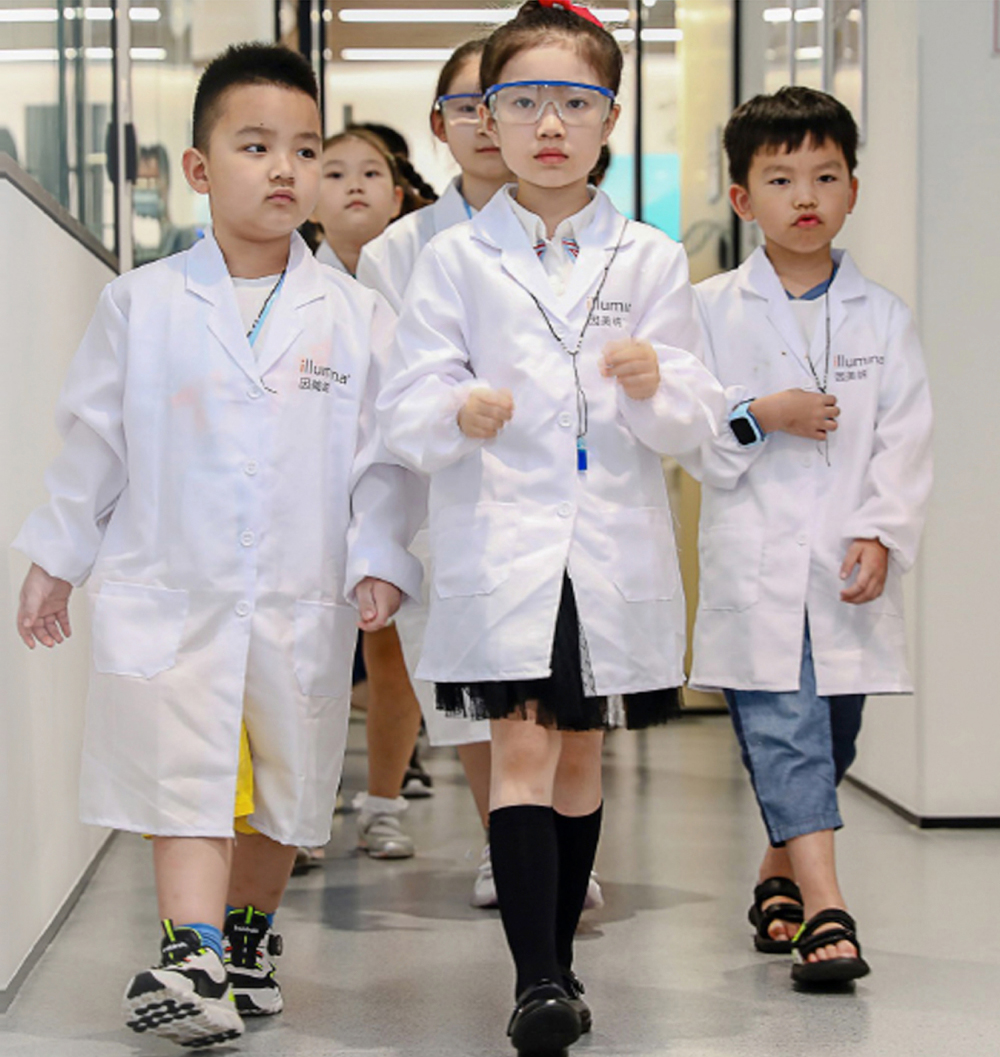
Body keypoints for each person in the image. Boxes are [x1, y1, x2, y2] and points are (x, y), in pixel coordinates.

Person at [12, 43, 421, 1048]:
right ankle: (189, 951)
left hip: (297, 590)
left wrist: (381, 555)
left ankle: (245, 940)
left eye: (305, 150)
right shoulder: (141, 302)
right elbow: (95, 445)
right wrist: (56, 557)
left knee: (283, 784)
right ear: (198, 168)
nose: (286, 169)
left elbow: (383, 460)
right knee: (182, 772)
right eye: (255, 146)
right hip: (172, 583)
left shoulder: (358, 316)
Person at [377, 3, 726, 1051]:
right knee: (520, 749)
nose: (548, 125)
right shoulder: (454, 259)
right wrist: (457, 408)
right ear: (486, 117)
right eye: (522, 101)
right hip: (502, 537)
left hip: (608, 544)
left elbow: (698, 418)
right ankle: (534, 981)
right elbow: (404, 403)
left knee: (579, 762)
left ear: (609, 117)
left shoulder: (649, 258)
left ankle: (561, 961)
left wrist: (658, 383)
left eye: (573, 102)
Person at [681, 85, 933, 986]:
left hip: (844, 562)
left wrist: (881, 530)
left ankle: (776, 872)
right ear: (743, 198)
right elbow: (691, 432)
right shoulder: (707, 309)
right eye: (781, 179)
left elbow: (906, 435)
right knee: (787, 730)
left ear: (852, 190)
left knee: (833, 735)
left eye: (826, 176)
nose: (806, 197)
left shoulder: (883, 315)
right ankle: (828, 909)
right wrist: (764, 413)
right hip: (756, 563)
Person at [353, 39, 513, 878]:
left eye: (504, 101)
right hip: (441, 492)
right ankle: (505, 843)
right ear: (439, 126)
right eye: (466, 107)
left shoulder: (586, 237)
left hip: (557, 493)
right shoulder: (397, 252)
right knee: (469, 684)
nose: (486, 122)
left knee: (554, 683)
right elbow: (387, 397)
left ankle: (545, 849)